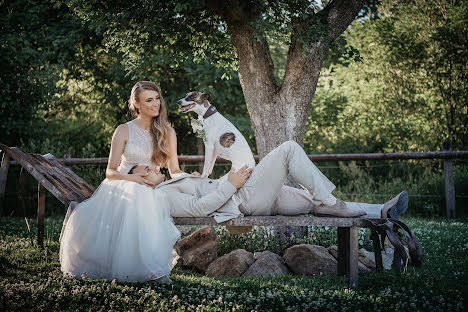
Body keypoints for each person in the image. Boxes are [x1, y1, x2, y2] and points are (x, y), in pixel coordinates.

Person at [60, 81, 190, 284]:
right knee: (137, 194)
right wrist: (134, 178)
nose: (156, 104)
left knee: (147, 196)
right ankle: (140, 270)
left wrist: (190, 179)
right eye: (149, 100)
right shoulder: (123, 130)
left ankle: (150, 268)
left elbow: (174, 170)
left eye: (157, 98)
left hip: (151, 186)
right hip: (122, 182)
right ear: (136, 103)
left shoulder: (167, 132)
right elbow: (110, 172)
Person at [150, 141, 408, 225]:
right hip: (242, 199)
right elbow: (199, 209)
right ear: (142, 181)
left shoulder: (172, 181)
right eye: (146, 170)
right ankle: (330, 202)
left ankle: (381, 211)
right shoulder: (162, 196)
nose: (153, 167)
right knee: (288, 149)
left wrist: (213, 180)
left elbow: (204, 192)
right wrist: (231, 183)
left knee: (316, 201)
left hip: (249, 193)